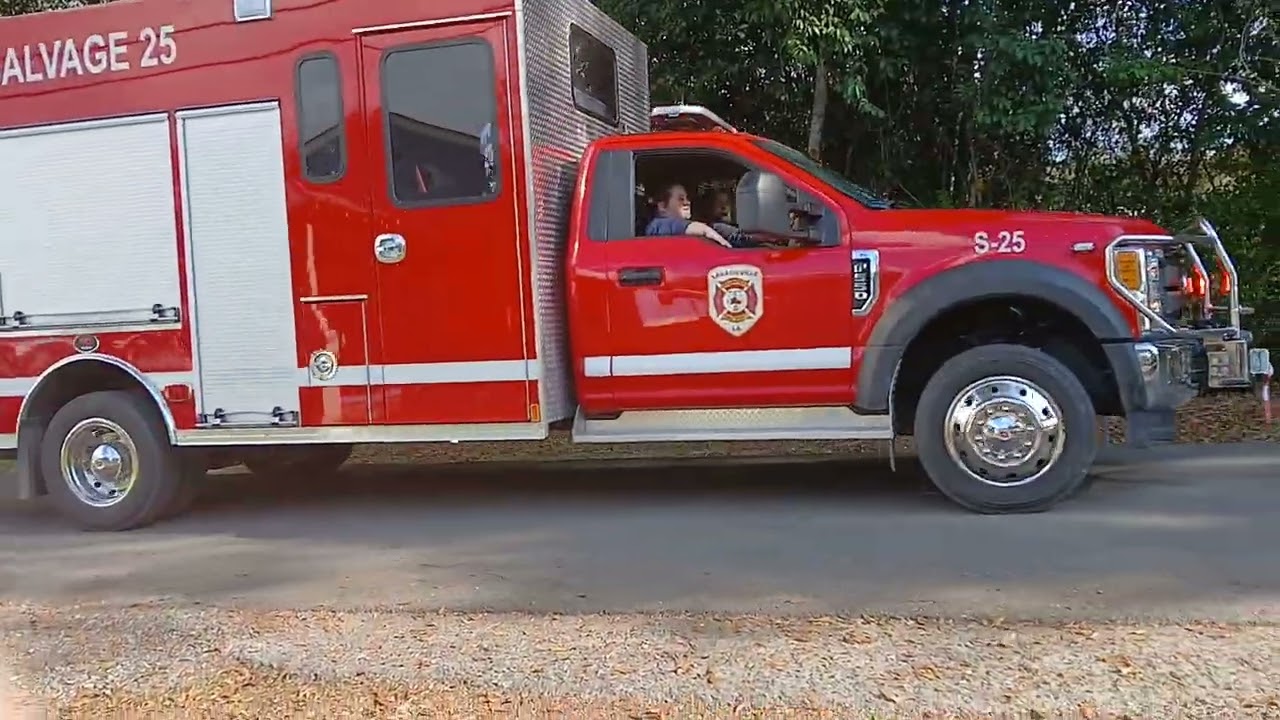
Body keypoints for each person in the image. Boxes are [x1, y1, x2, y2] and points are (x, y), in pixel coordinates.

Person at [643, 183, 733, 247]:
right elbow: (684, 226)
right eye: (681, 199)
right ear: (662, 207)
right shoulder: (656, 225)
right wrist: (721, 242)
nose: (687, 202)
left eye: (687, 198)